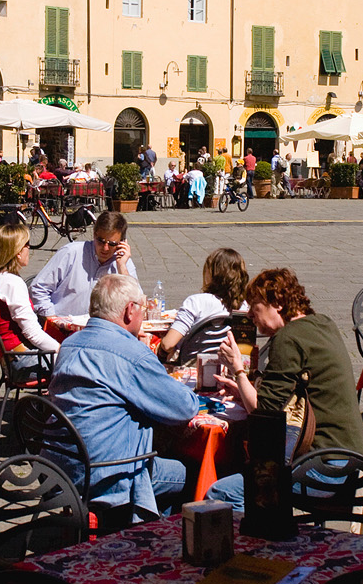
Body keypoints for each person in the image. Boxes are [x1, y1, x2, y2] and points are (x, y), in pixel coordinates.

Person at [203, 268, 363, 510]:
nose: (249, 315)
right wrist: (244, 389)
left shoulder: (288, 338)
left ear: (277, 303)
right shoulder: (323, 323)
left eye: (255, 306)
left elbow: (263, 412)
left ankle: (257, 546)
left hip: (325, 466)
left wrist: (238, 370)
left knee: (223, 493)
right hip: (356, 459)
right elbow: (294, 392)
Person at [49, 273, 195, 513]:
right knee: (187, 472)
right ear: (130, 310)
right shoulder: (131, 354)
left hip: (60, 465)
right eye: (143, 308)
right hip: (106, 472)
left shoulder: (70, 344)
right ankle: (151, 541)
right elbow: (184, 407)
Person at [30, 211, 138, 318]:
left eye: (112, 244)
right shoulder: (71, 252)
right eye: (101, 241)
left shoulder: (122, 260)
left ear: (122, 242)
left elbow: (137, 302)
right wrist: (52, 318)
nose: (105, 248)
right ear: (94, 234)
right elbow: (38, 288)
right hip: (63, 326)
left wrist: (122, 267)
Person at [157, 247, 249, 360]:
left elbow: (168, 344)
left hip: (192, 368)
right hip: (228, 368)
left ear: (211, 274)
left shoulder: (196, 302)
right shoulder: (243, 306)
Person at [0, 223, 60, 354]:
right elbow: (32, 333)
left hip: (11, 353)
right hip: (21, 355)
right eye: (27, 244)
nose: (29, 248)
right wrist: (62, 350)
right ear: (18, 252)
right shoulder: (11, 283)